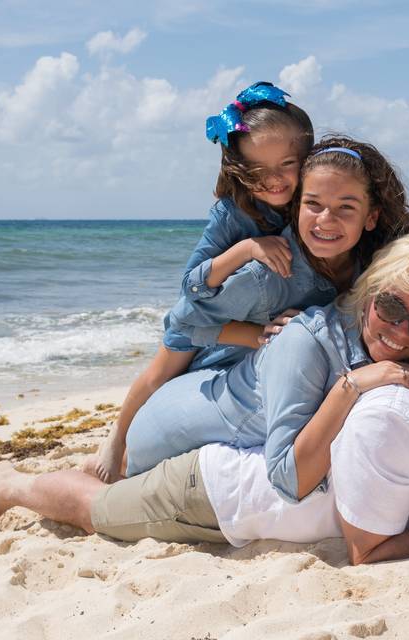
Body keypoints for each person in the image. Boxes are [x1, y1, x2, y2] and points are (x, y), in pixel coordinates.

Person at [0, 305, 409, 564]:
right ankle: (13, 484)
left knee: (107, 498)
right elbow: (368, 551)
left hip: (256, 502)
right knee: (96, 509)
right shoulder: (397, 418)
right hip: (218, 496)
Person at [123, 226, 409, 503]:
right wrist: (352, 385)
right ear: (368, 294)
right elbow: (288, 481)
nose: (401, 331)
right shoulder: (305, 343)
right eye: (391, 308)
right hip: (159, 440)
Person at [85, 81, 314, 483]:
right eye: (258, 170)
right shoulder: (230, 214)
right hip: (196, 318)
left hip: (242, 320)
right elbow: (190, 286)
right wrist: (246, 249)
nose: (273, 180)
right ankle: (116, 438)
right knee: (158, 376)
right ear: (238, 169)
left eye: (286, 165)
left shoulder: (305, 207)